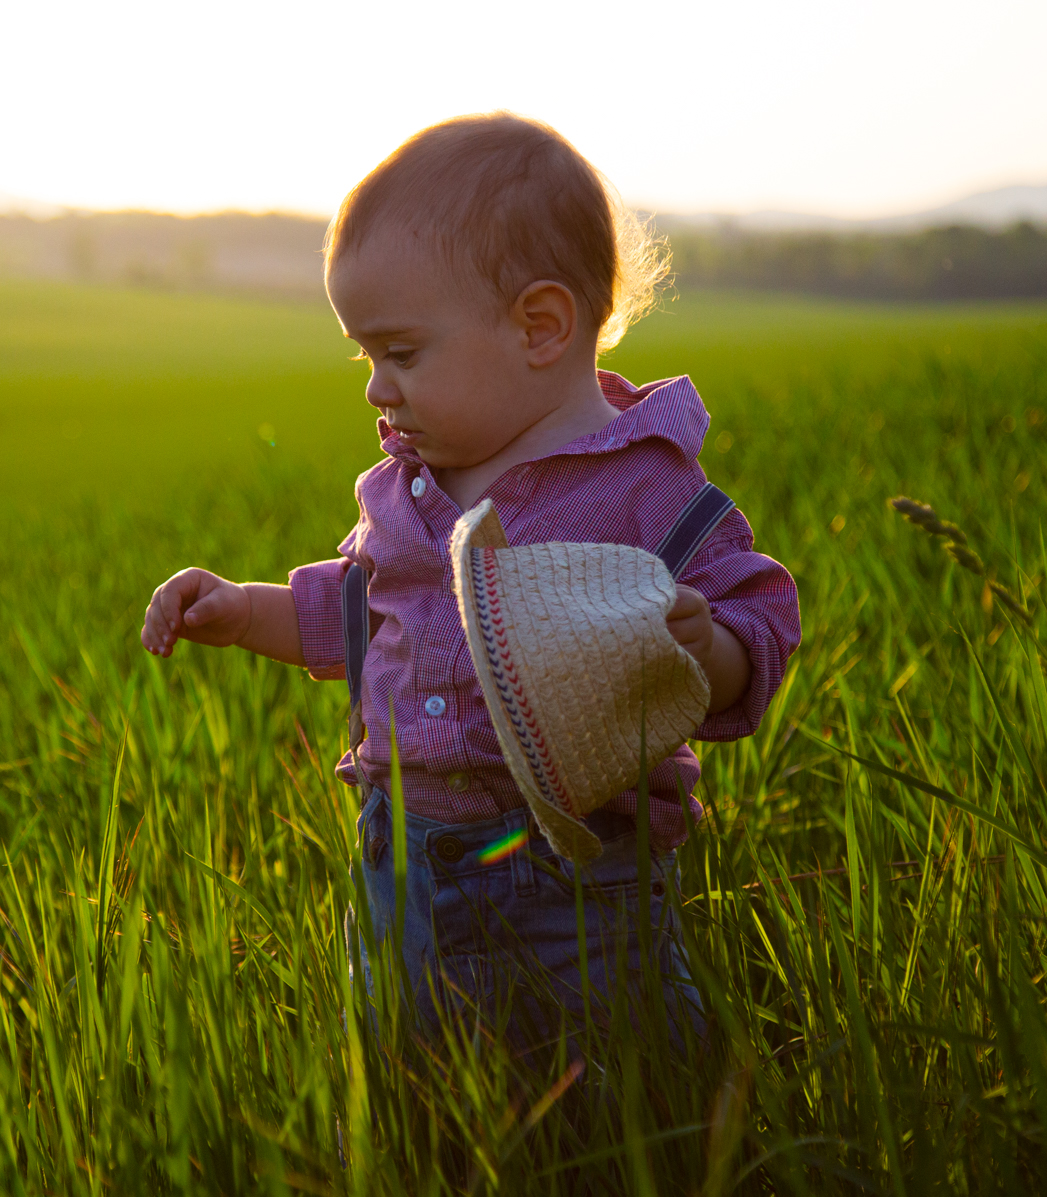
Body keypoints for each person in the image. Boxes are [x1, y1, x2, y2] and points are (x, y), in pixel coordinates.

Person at [139, 112, 800, 1056]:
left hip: (583, 879)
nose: (376, 387)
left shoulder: (643, 487)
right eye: (365, 358)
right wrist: (245, 609)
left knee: (616, 1073)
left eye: (401, 354)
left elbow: (764, 611)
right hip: (404, 857)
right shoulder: (406, 493)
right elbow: (363, 613)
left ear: (540, 326)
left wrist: (717, 652)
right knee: (411, 1064)